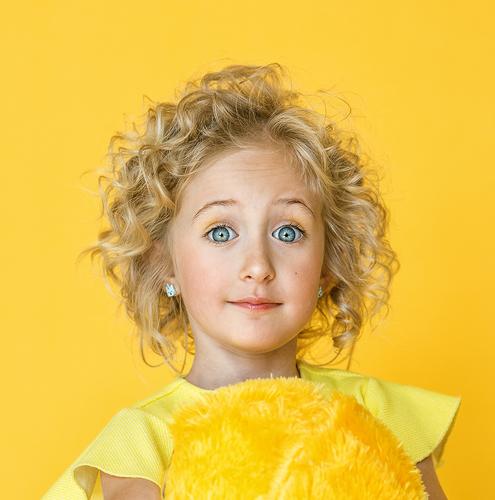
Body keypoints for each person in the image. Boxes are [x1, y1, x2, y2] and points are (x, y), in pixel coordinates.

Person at [42, 63, 461, 499]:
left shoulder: (382, 417)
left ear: (327, 264)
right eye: (221, 232)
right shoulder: (142, 442)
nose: (258, 266)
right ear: (163, 262)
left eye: (289, 232)